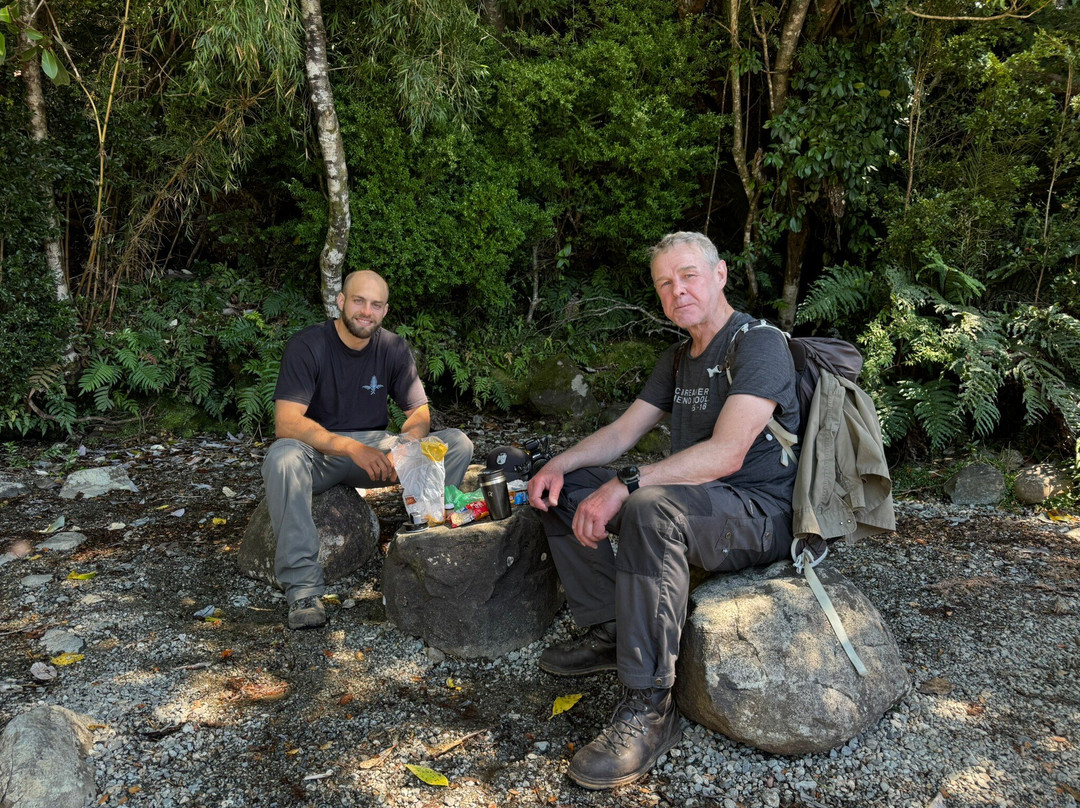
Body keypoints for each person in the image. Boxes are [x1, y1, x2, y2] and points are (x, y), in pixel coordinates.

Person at [527, 232, 799, 790]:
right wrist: (557, 464)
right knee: (568, 486)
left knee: (650, 507)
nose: (678, 291)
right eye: (665, 284)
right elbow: (624, 431)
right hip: (698, 503)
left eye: (689, 276)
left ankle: (650, 705)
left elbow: (728, 454)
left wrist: (627, 485)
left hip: (759, 512)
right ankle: (613, 627)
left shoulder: (757, 344)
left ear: (720, 274)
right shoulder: (677, 358)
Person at [262, 270, 473, 630]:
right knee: (282, 457)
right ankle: (303, 590)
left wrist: (405, 444)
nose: (366, 311)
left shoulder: (392, 347)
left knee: (455, 444)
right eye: (358, 301)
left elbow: (419, 412)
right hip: (321, 453)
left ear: (385, 311)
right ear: (341, 301)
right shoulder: (308, 345)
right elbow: (287, 422)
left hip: (376, 449)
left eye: (375, 305)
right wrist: (351, 447)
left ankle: (421, 538)